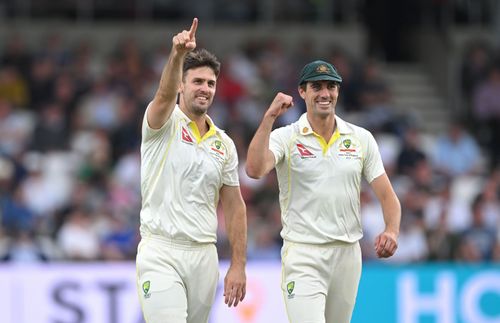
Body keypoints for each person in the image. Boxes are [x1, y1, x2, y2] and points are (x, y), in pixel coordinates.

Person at [246, 60, 401, 323]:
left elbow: (387, 195)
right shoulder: (287, 136)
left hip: (347, 254)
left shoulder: (360, 138)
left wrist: (392, 230)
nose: (325, 93)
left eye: (331, 86)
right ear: (302, 91)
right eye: (316, 86)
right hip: (304, 253)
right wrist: (269, 117)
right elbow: (254, 169)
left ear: (338, 91)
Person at [136, 18, 247, 323]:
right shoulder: (162, 123)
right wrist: (177, 55)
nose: (205, 89)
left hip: (204, 256)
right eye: (197, 81)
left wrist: (238, 264)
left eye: (211, 83)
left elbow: (235, 206)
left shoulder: (224, 144)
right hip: (161, 250)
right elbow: (163, 94)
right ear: (182, 85)